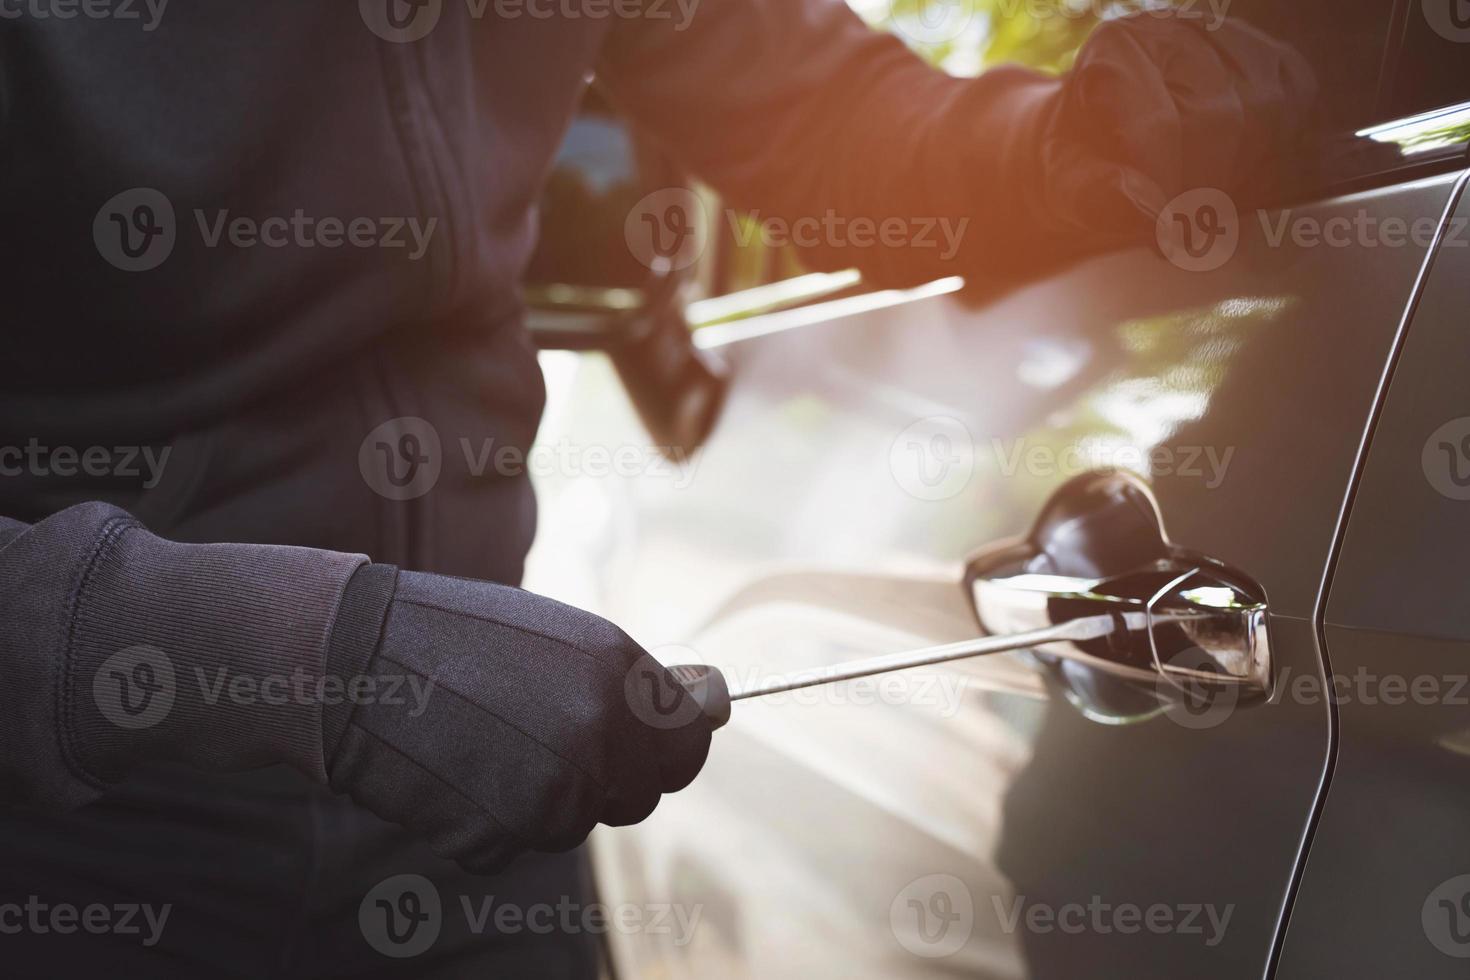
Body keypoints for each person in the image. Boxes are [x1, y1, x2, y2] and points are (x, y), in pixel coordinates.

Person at [0, 1, 1312, 975]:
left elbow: (824, 120)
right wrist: (324, 670)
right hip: (103, 840)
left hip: (475, 823)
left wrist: (1058, 149)